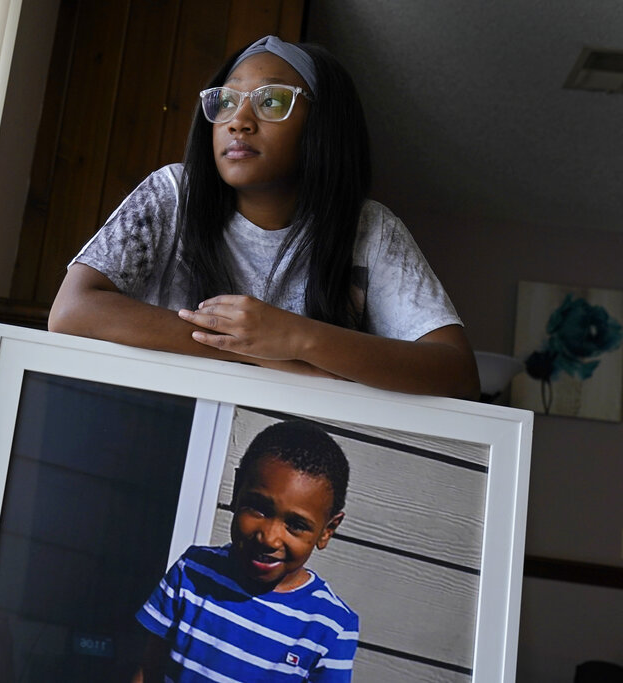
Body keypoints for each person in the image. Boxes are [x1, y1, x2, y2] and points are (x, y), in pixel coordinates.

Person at [47, 36, 480, 399]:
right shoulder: (174, 193)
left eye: (271, 101)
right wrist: (255, 351)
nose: (239, 120)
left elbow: (456, 374)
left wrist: (297, 337)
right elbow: (71, 311)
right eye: (227, 100)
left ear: (322, 124)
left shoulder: (370, 229)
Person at [133, 419, 357, 682]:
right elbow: (147, 669)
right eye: (259, 509)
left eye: (296, 525)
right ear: (237, 489)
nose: (269, 539)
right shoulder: (191, 574)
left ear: (327, 530)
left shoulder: (331, 626)